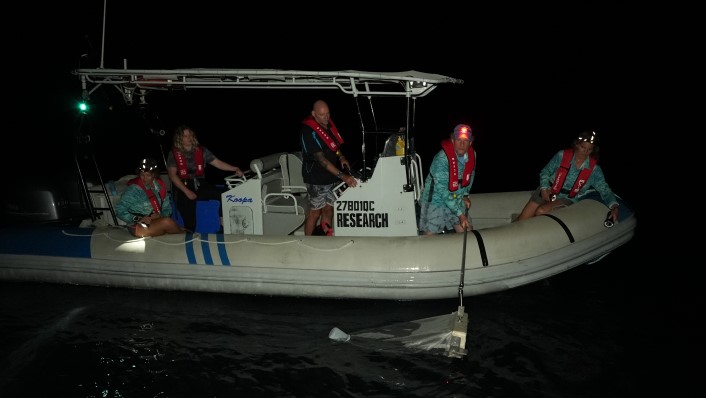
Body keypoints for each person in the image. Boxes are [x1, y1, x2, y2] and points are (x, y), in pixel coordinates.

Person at [516, 130, 620, 222]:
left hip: (567, 198)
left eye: (590, 149)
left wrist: (614, 207)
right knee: (522, 219)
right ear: (577, 144)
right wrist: (544, 188)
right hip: (548, 190)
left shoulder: (594, 169)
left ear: (593, 150)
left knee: (541, 211)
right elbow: (545, 172)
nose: (585, 152)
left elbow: (604, 190)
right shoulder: (561, 155)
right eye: (583, 147)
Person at [166, 124, 245, 231]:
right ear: (179, 138)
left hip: (200, 183)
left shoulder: (201, 150)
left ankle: (222, 225)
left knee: (223, 195)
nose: (189, 137)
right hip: (182, 186)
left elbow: (218, 163)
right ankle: (188, 231)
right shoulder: (173, 153)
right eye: (185, 136)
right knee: (189, 212)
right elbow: (172, 175)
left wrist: (235, 168)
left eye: (190, 135)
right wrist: (187, 192)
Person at [299, 100, 358, 236]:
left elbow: (334, 146)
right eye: (322, 114)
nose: (326, 117)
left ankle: (326, 238)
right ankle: (307, 242)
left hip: (331, 176)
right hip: (316, 178)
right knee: (315, 213)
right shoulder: (309, 131)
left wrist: (341, 156)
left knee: (328, 210)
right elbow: (322, 160)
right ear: (314, 114)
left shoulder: (327, 124)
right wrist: (344, 177)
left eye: (328, 113)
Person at [418, 124, 476, 235]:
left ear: (470, 143)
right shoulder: (441, 159)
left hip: (456, 197)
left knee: (467, 231)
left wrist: (465, 195)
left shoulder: (472, 155)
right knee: (429, 236)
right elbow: (443, 190)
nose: (462, 144)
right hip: (435, 200)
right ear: (452, 141)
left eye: (465, 140)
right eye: (458, 140)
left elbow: (471, 174)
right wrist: (460, 215)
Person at [116, 158, 184, 237]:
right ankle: (185, 237)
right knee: (167, 222)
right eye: (142, 175)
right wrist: (137, 218)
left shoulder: (160, 187)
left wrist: (160, 215)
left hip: (156, 222)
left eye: (148, 175)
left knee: (170, 223)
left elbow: (167, 209)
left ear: (154, 175)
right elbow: (119, 210)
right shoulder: (133, 189)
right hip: (138, 226)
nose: (144, 178)